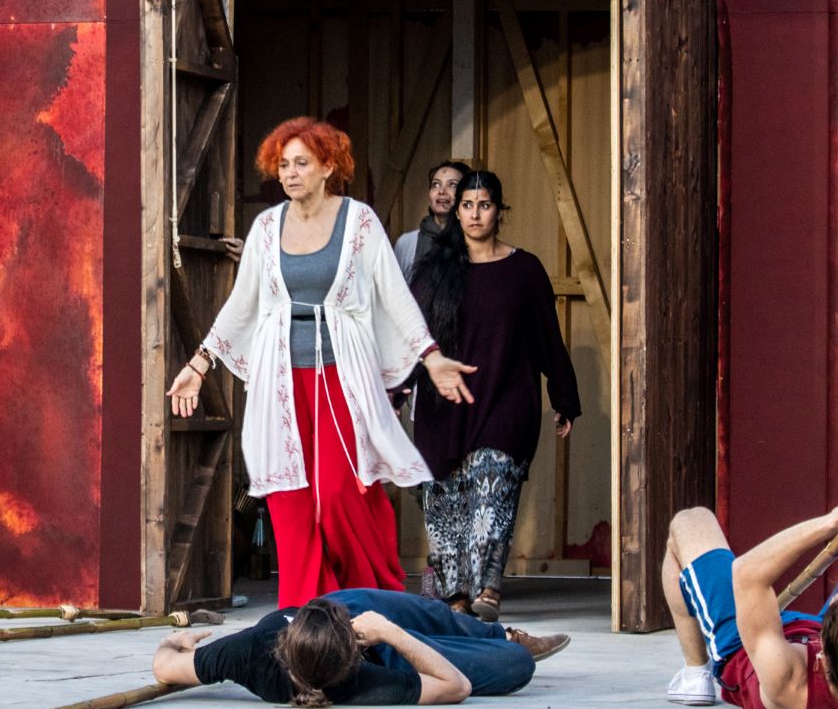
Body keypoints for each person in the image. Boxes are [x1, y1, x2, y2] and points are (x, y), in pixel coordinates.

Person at [167, 117, 476, 608]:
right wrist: (199, 363)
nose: (289, 174)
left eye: (301, 163)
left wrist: (431, 357)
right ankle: (305, 617)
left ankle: (372, 603)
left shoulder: (358, 221)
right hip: (280, 381)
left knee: (338, 496)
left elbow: (393, 295)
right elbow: (242, 303)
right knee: (289, 502)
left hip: (341, 380)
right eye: (283, 164)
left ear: (328, 166)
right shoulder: (267, 228)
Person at [409, 170, 580, 621]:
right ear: (456, 210)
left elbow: (548, 337)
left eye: (484, 205)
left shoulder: (524, 270)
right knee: (446, 504)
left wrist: (564, 396)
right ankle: (455, 596)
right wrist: (397, 388)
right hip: (442, 404)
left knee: (492, 492)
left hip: (507, 397)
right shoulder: (433, 272)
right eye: (467, 205)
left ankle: (488, 589)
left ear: (500, 211)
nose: (475, 214)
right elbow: (411, 337)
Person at [662, 486, 838, 709]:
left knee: (691, 522)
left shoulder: (787, 680)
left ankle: (695, 674)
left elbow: (747, 575)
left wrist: (833, 522)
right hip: (825, 641)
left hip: (742, 644)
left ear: (823, 651)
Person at [151, 587, 570, 707]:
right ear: (353, 655)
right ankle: (501, 642)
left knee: (386, 604)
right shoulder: (361, 682)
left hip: (345, 629)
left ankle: (485, 628)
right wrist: (389, 633)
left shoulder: (247, 649)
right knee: (515, 664)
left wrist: (178, 638)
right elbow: (455, 686)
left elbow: (165, 667)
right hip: (385, 644)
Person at [394, 160, 470, 282]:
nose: (442, 191)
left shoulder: (473, 242)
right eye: (436, 184)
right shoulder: (406, 243)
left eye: (452, 185)